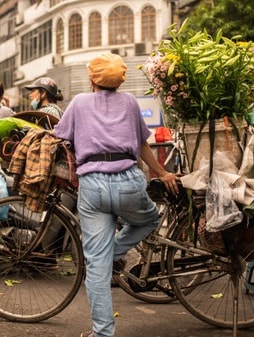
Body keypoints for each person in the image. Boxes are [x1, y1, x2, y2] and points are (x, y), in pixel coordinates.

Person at [53, 53, 178, 337]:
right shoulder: (130, 102)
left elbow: (60, 137)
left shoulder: (80, 102)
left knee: (96, 266)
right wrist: (162, 172)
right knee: (148, 221)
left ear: (92, 80)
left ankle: (103, 333)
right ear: (119, 80)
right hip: (128, 182)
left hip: (92, 185)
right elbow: (142, 145)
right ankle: (114, 252)